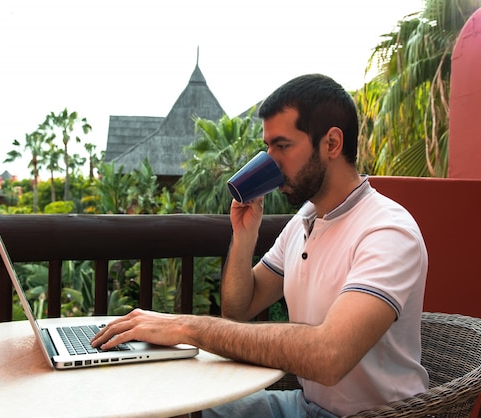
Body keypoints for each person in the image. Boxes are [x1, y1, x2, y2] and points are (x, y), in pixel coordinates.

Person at [91, 74, 429, 417]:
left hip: (376, 414)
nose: (270, 161)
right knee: (179, 410)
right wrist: (244, 236)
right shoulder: (304, 222)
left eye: (282, 146)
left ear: (331, 144)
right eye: (267, 147)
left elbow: (329, 356)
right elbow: (239, 309)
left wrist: (188, 327)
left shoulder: (387, 231)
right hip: (309, 407)